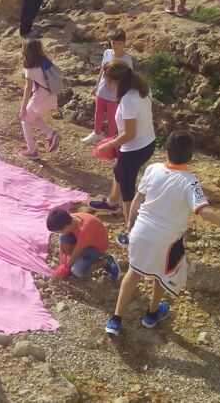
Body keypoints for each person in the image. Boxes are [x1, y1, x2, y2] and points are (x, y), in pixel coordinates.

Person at [104, 131, 220, 335]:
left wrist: (130, 226)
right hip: (167, 240)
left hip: (141, 231)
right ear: (191, 157)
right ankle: (151, 315)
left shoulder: (153, 169)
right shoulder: (190, 182)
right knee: (162, 276)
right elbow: (206, 213)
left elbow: (138, 200)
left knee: (134, 272)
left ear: (166, 151)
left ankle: (115, 320)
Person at [89, 60, 156, 244]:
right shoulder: (142, 89)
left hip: (133, 148)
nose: (106, 83)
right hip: (148, 142)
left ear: (116, 80)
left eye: (107, 80)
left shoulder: (128, 100)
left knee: (128, 193)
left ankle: (131, 231)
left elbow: (129, 133)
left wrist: (108, 145)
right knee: (119, 171)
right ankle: (111, 203)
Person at [82, 29, 133, 144]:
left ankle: (110, 138)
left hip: (115, 93)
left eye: (119, 43)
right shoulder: (107, 53)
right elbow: (102, 70)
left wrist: (123, 93)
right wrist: (96, 86)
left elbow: (129, 77)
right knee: (98, 112)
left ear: (124, 43)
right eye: (114, 42)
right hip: (102, 89)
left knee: (112, 117)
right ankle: (96, 133)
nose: (116, 45)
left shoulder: (127, 59)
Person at [46, 209, 120, 281]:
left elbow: (76, 252)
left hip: (96, 247)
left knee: (77, 271)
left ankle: (106, 261)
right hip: (83, 240)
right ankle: (80, 260)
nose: (57, 233)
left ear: (66, 227)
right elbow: (62, 243)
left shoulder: (85, 230)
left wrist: (66, 269)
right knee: (62, 237)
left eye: (58, 231)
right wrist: (62, 264)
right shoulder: (69, 219)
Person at [18, 39, 61, 160]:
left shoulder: (29, 67)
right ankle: (50, 134)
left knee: (25, 119)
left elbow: (27, 88)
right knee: (34, 116)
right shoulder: (45, 61)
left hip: (40, 96)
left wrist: (22, 108)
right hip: (51, 95)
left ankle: (32, 151)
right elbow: (59, 71)